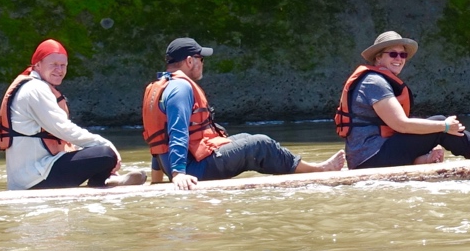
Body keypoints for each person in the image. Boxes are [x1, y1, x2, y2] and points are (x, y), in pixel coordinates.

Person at [143, 37, 345, 189]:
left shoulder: (162, 86)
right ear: (189, 61)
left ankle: (309, 167)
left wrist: (157, 180)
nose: (203, 63)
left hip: (185, 164)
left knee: (244, 138)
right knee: (259, 144)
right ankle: (318, 170)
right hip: (193, 169)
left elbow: (159, 140)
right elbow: (177, 132)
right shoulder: (181, 88)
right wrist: (178, 174)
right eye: (201, 58)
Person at [335, 30, 470, 169]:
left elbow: (399, 129)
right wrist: (444, 127)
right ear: (378, 57)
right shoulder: (374, 82)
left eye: (403, 55)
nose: (399, 59)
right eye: (393, 54)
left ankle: (434, 158)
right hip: (369, 159)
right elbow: (401, 125)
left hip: (372, 155)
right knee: (440, 123)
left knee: (437, 125)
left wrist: (436, 133)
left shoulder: (376, 80)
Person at [0, 38, 147, 190]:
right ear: (38, 65)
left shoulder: (34, 86)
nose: (59, 70)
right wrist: (105, 143)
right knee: (105, 154)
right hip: (34, 178)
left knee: (94, 151)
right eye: (53, 64)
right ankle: (102, 181)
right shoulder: (35, 89)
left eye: (63, 65)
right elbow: (63, 128)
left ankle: (109, 179)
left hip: (35, 172)